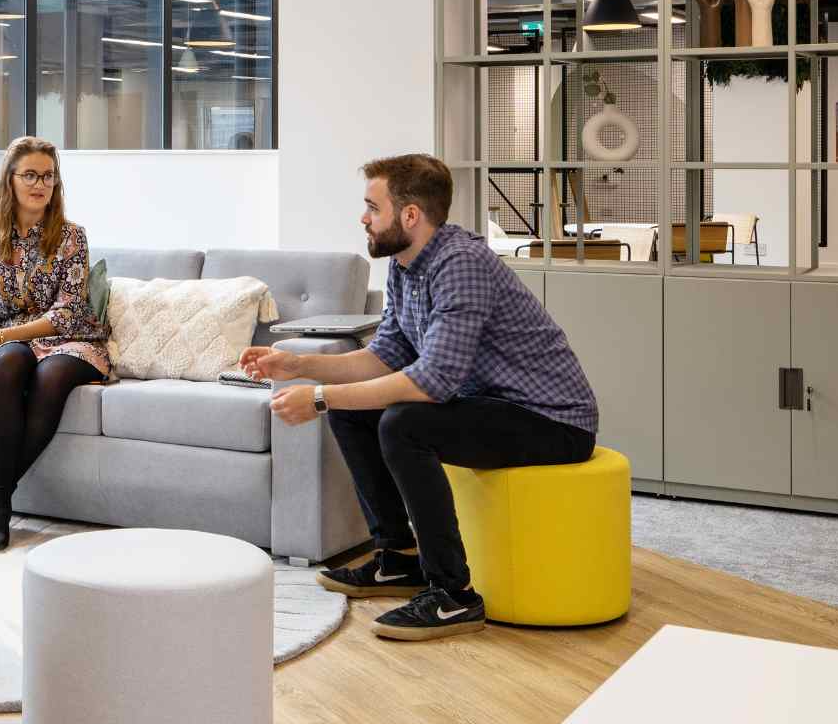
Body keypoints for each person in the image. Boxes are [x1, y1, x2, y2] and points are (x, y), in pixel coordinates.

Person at [241, 154, 597, 642]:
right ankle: (398, 560)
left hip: (552, 420)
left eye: (372, 207)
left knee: (402, 422)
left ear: (410, 216)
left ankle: (454, 596)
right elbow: (385, 356)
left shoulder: (462, 264)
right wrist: (298, 366)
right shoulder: (405, 265)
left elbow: (431, 381)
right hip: (492, 405)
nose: (363, 218)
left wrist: (320, 398)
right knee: (354, 411)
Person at [0, 136, 108, 551]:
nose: (41, 184)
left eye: (49, 176)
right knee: (6, 365)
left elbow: (66, 313)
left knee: (52, 374)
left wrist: (0, 335)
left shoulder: (72, 237)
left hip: (71, 339)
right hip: (16, 336)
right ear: (10, 179)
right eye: (31, 175)